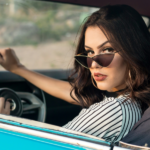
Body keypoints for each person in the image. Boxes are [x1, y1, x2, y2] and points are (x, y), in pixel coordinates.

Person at [0, 4, 150, 143]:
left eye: (107, 50)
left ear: (133, 51)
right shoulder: (135, 101)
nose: (94, 63)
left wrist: (3, 123)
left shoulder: (113, 110)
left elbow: (49, 146)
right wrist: (18, 68)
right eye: (90, 52)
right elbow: (75, 93)